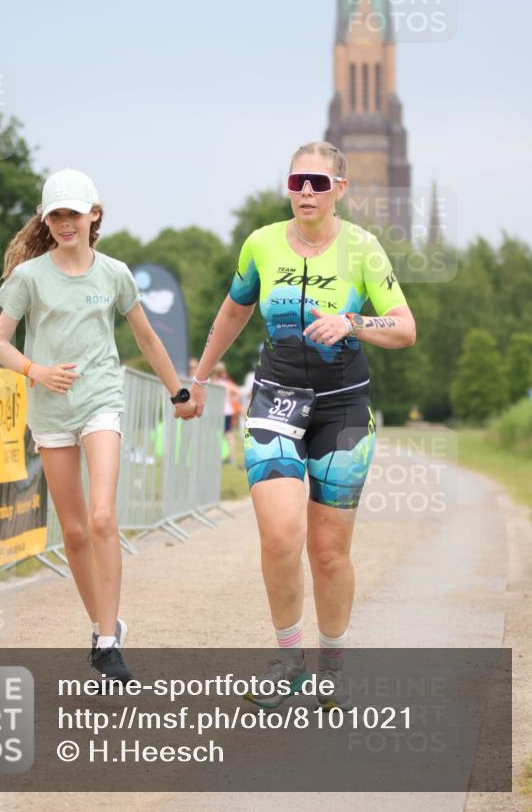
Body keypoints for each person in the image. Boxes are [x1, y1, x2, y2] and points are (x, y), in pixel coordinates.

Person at [189, 142, 416, 710]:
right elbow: (234, 310)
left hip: (342, 409)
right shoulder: (261, 244)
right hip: (276, 400)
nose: (307, 192)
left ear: (341, 188)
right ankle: (289, 663)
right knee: (280, 536)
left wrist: (352, 322)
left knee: (328, 553)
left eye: (318, 182)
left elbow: (404, 327)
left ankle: (332, 667)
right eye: (297, 182)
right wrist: (199, 378)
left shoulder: (363, 249)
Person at [0, 169, 195, 684]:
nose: (65, 223)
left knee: (103, 517)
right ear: (45, 219)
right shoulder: (29, 277)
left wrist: (179, 392)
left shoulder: (115, 273)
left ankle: (106, 643)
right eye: (56, 215)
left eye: (74, 214)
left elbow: (146, 338)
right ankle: (105, 627)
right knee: (75, 531)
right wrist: (36, 371)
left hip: (101, 399)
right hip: (51, 410)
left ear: (94, 215)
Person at [212, 362, 241, 465]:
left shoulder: (214, 384)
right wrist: (232, 399)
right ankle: (231, 457)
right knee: (229, 435)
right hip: (228, 411)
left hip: (219, 412)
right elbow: (237, 391)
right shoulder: (226, 384)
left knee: (217, 436)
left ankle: (218, 457)